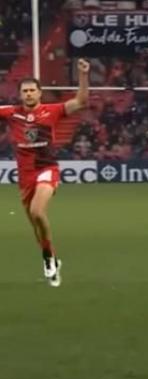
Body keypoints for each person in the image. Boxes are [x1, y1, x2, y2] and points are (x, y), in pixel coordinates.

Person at [0, 59, 91, 287]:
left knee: (38, 211)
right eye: (25, 91)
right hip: (25, 178)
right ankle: (50, 258)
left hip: (46, 169)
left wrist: (83, 75)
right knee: (36, 225)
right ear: (20, 94)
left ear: (40, 93)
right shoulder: (11, 113)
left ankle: (49, 259)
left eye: (32, 90)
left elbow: (81, 101)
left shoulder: (52, 111)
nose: (29, 94)